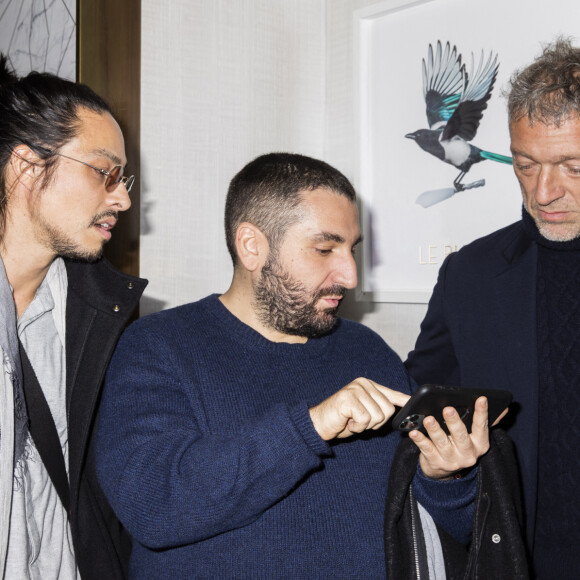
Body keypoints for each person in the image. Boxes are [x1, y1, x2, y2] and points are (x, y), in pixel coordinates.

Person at [96, 152, 498, 579]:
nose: (349, 275)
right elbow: (153, 506)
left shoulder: (367, 351)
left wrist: (445, 477)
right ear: (252, 246)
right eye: (325, 249)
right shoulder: (155, 346)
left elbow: (453, 530)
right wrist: (311, 427)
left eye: (351, 250)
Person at [405, 38, 580, 578]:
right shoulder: (471, 275)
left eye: (573, 166)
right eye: (526, 165)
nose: (544, 192)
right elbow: (420, 408)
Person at [0, 55, 147, 578]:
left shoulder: (101, 313)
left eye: (123, 178)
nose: (124, 198)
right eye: (106, 173)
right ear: (26, 167)